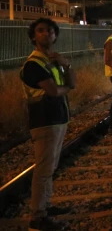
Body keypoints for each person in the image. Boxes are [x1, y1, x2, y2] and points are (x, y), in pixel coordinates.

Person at [21, 18, 76, 231]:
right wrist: (66, 89)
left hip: (57, 118)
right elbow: (54, 91)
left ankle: (45, 205)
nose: (47, 34)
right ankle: (37, 217)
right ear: (33, 36)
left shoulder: (52, 60)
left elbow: (72, 83)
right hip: (44, 121)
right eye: (41, 31)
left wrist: (66, 64)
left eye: (51, 31)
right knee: (43, 169)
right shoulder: (34, 64)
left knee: (50, 166)